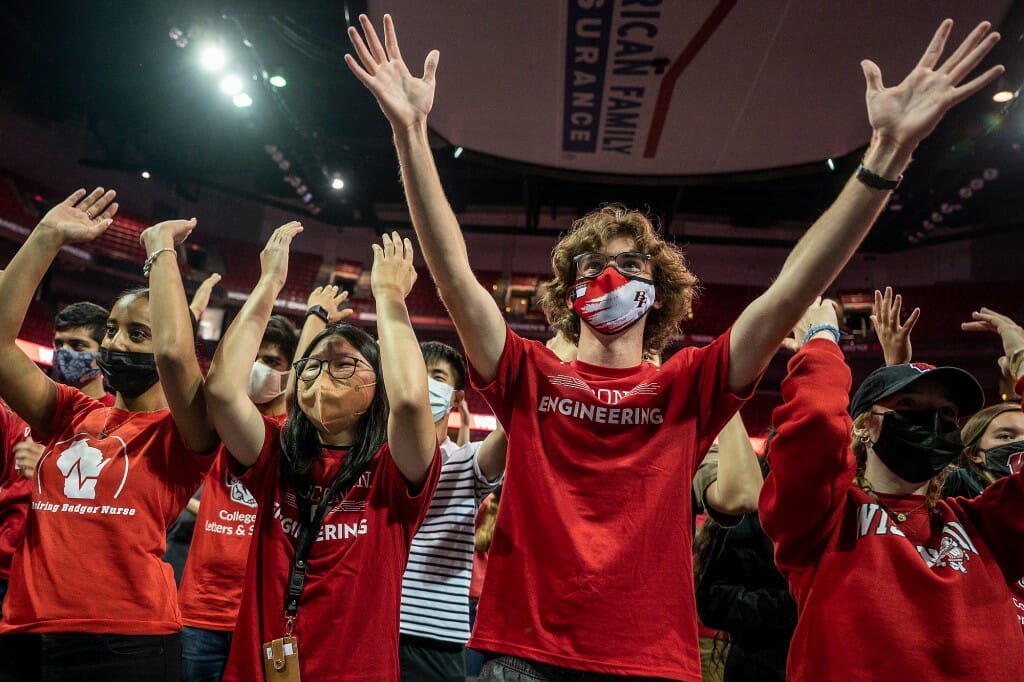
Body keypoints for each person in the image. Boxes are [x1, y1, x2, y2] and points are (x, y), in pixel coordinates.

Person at [346, 13, 1003, 679]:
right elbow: (454, 273)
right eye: (590, 268)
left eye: (629, 265)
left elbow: (789, 292)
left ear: (655, 293)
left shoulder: (690, 384)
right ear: (570, 294)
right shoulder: (528, 373)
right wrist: (410, 132)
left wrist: (886, 156)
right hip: (524, 658)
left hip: (650, 662)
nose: (609, 277)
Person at [0, 189, 220, 681]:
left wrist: (160, 248)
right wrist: (47, 235)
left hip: (126, 641)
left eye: (135, 333)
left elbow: (175, 356)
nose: (116, 342)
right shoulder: (68, 411)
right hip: (26, 631)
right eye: (112, 330)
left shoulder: (183, 431)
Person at [204, 226, 440, 681]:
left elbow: (411, 401)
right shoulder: (275, 451)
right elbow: (221, 390)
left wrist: (390, 297)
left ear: (377, 384)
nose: (322, 375)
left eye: (344, 363)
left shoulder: (394, 467)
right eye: (312, 365)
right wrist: (268, 284)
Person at [759, 298, 1024, 680]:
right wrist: (821, 340)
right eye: (908, 405)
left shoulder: (985, 523)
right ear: (865, 425)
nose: (931, 422)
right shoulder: (824, 519)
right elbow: (816, 420)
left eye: (946, 414)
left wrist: (1020, 356)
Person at [176, 314, 299, 682]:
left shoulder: (295, 438)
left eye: (274, 362)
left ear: (290, 373)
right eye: (254, 358)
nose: (260, 368)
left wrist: (314, 318)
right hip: (202, 611)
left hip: (267, 619)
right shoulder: (216, 423)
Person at [399, 341, 506, 681]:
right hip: (372, 626)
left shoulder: (466, 460)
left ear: (457, 398)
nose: (425, 382)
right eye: (420, 372)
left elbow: (510, 428)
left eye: (437, 376)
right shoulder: (377, 456)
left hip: (437, 642)